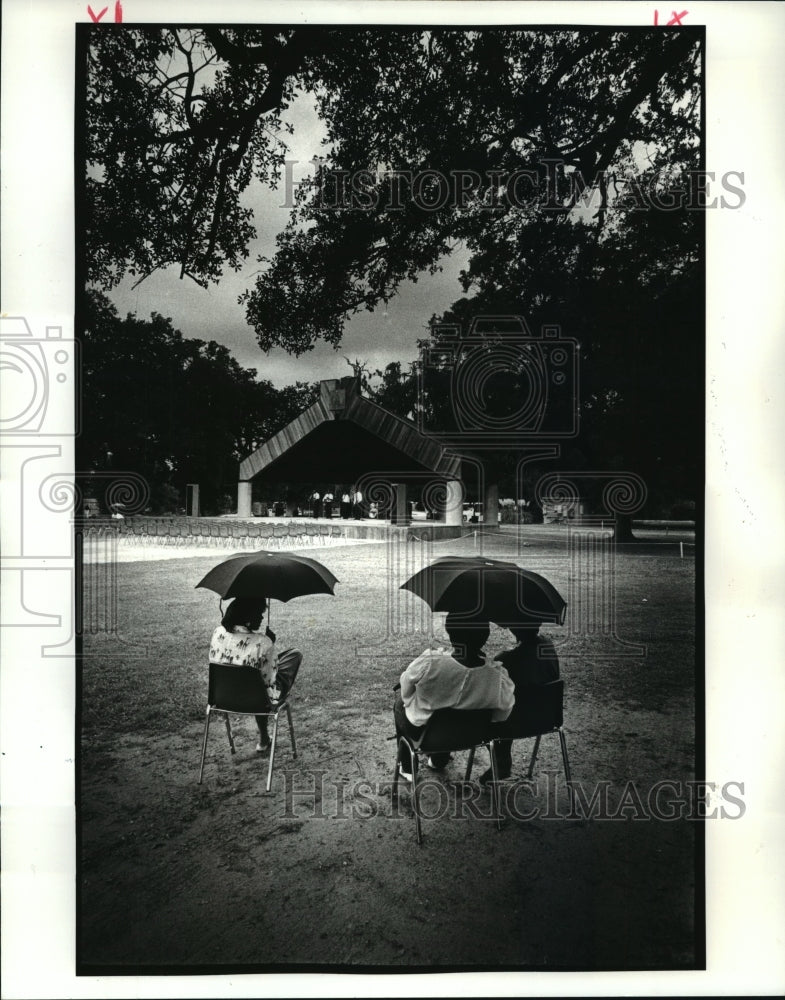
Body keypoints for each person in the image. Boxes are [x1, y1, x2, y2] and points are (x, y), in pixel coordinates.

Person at [392, 614, 514, 779]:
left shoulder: (431, 661)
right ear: (485, 637)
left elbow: (406, 683)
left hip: (428, 737)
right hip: (474, 735)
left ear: (450, 633)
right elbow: (503, 713)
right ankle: (438, 758)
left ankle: (407, 767)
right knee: (453, 713)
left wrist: (410, 700)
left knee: (400, 705)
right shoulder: (497, 675)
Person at [209, 596, 302, 752]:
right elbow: (269, 680)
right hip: (258, 700)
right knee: (294, 655)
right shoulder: (263, 642)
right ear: (247, 617)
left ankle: (264, 739)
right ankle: (264, 740)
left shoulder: (218, 633)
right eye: (258, 613)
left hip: (223, 697)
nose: (261, 617)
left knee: (254, 682)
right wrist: (270, 646)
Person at [480, 619, 560, 784]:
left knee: (493, 707)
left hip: (514, 724)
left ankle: (500, 758)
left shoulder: (506, 659)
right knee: (514, 702)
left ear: (512, 628)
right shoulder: (547, 645)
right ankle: (501, 760)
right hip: (548, 718)